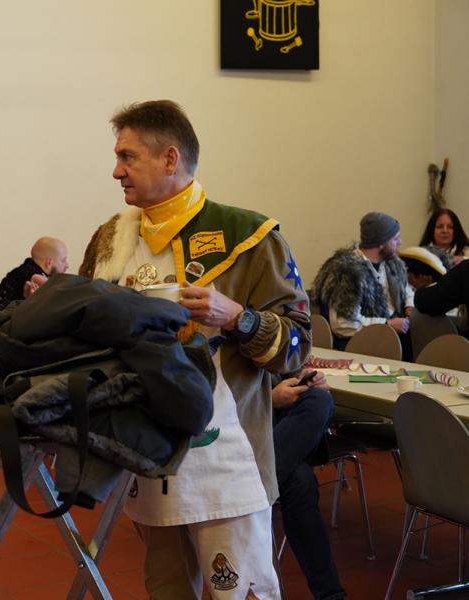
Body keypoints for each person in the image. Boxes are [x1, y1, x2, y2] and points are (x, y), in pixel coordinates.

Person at [79, 100, 310, 600]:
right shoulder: (109, 240)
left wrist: (239, 318)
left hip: (226, 463)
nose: (116, 171)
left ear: (170, 158)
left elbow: (297, 346)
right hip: (148, 457)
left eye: (127, 156)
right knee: (165, 592)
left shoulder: (249, 236)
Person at [272, 370, 346, 600]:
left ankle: (262, 484)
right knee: (300, 480)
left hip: (279, 430)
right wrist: (269, 398)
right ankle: (331, 595)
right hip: (241, 424)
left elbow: (283, 368)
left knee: (319, 398)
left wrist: (303, 379)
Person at [312, 212, 414, 353]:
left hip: (389, 338)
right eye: (395, 239)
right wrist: (387, 324)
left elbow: (406, 289)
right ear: (381, 243)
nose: (400, 242)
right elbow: (343, 325)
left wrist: (409, 305)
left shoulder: (392, 263)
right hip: (358, 347)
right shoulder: (347, 272)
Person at [0, 236, 70, 314]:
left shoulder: (18, 272)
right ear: (49, 263)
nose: (67, 265)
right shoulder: (38, 280)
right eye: (63, 260)